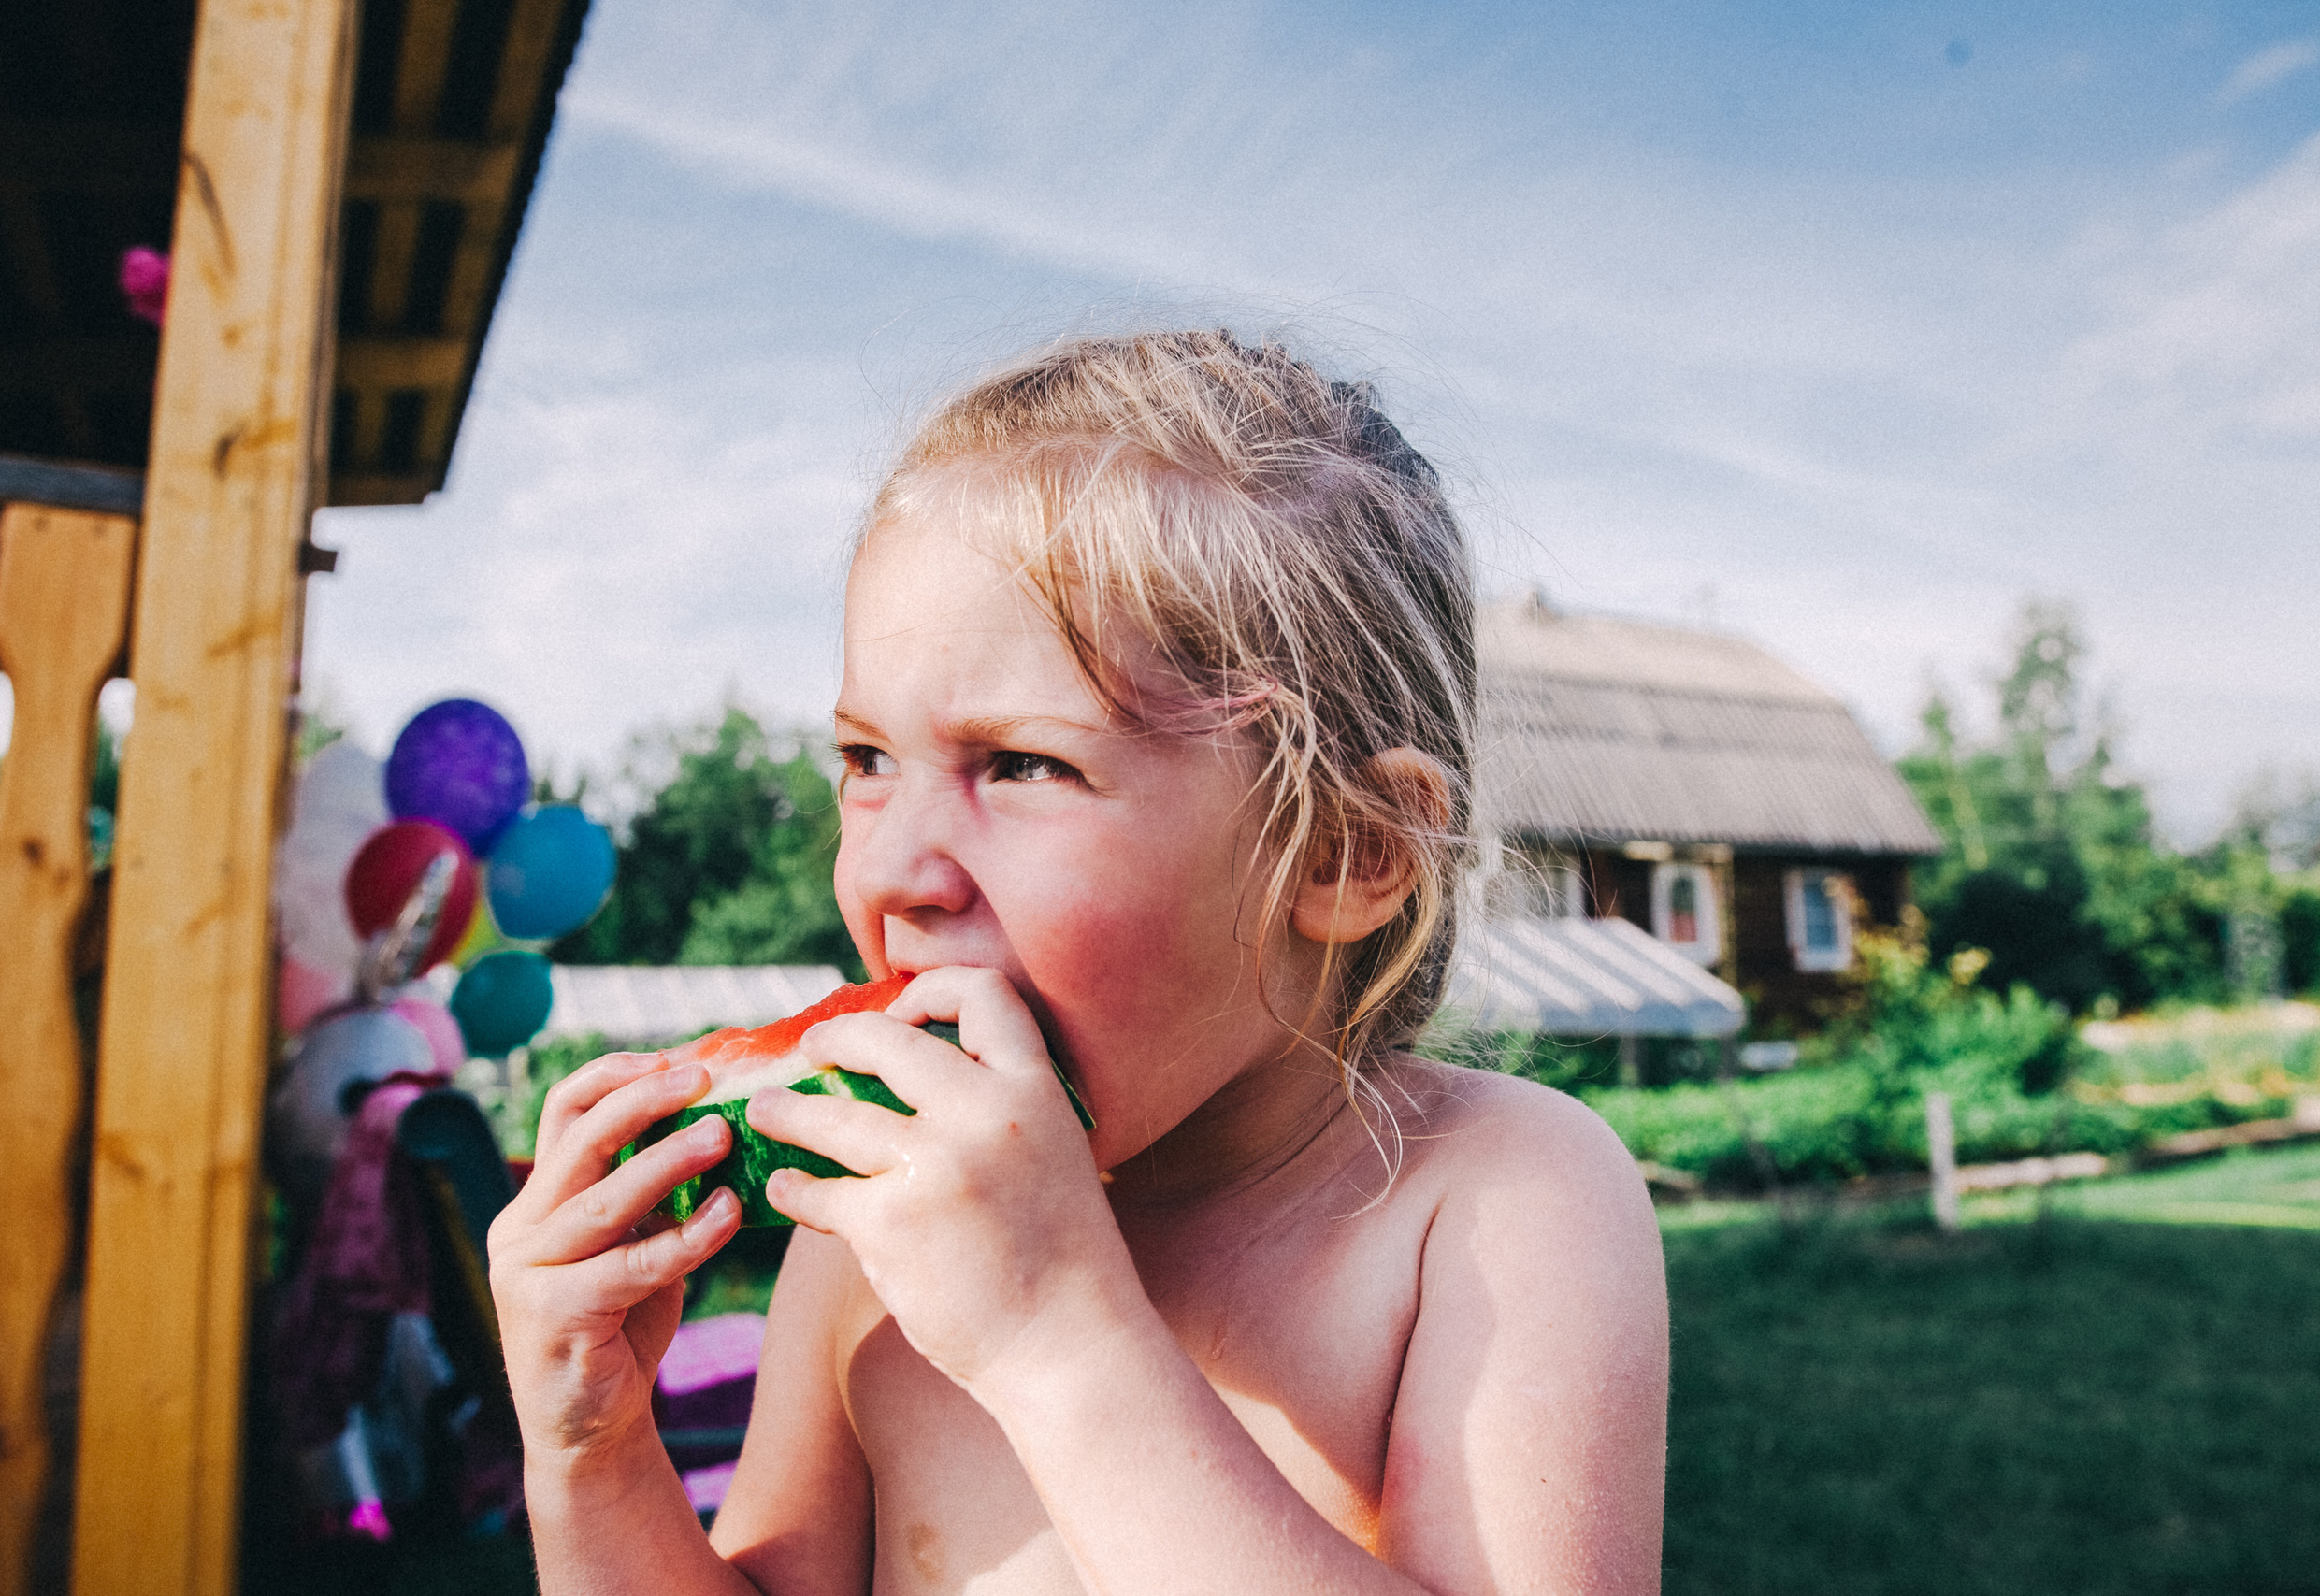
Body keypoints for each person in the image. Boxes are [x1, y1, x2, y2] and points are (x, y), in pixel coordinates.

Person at [488, 330, 1669, 1594]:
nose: (892, 872)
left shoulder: (1499, 1203)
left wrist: (1054, 1337)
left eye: (1021, 767)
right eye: (867, 762)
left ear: (1343, 853)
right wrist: (595, 1457)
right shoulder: (868, 1221)